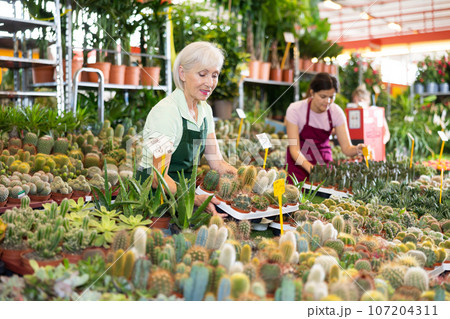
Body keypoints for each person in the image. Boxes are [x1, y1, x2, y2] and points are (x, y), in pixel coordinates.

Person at [139, 41, 237, 216]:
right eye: (202, 74)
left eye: (214, 75)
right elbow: (158, 178)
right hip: (154, 201)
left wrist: (247, 178)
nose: (210, 83)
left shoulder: (205, 110)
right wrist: (193, 198)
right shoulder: (165, 113)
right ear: (182, 73)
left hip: (184, 193)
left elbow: (217, 162)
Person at [285, 72, 366, 182]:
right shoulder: (295, 110)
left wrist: (358, 149)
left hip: (323, 163)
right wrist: (312, 169)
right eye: (323, 96)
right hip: (299, 166)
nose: (327, 101)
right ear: (312, 93)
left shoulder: (336, 112)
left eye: (332, 97)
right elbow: (294, 149)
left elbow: (347, 149)